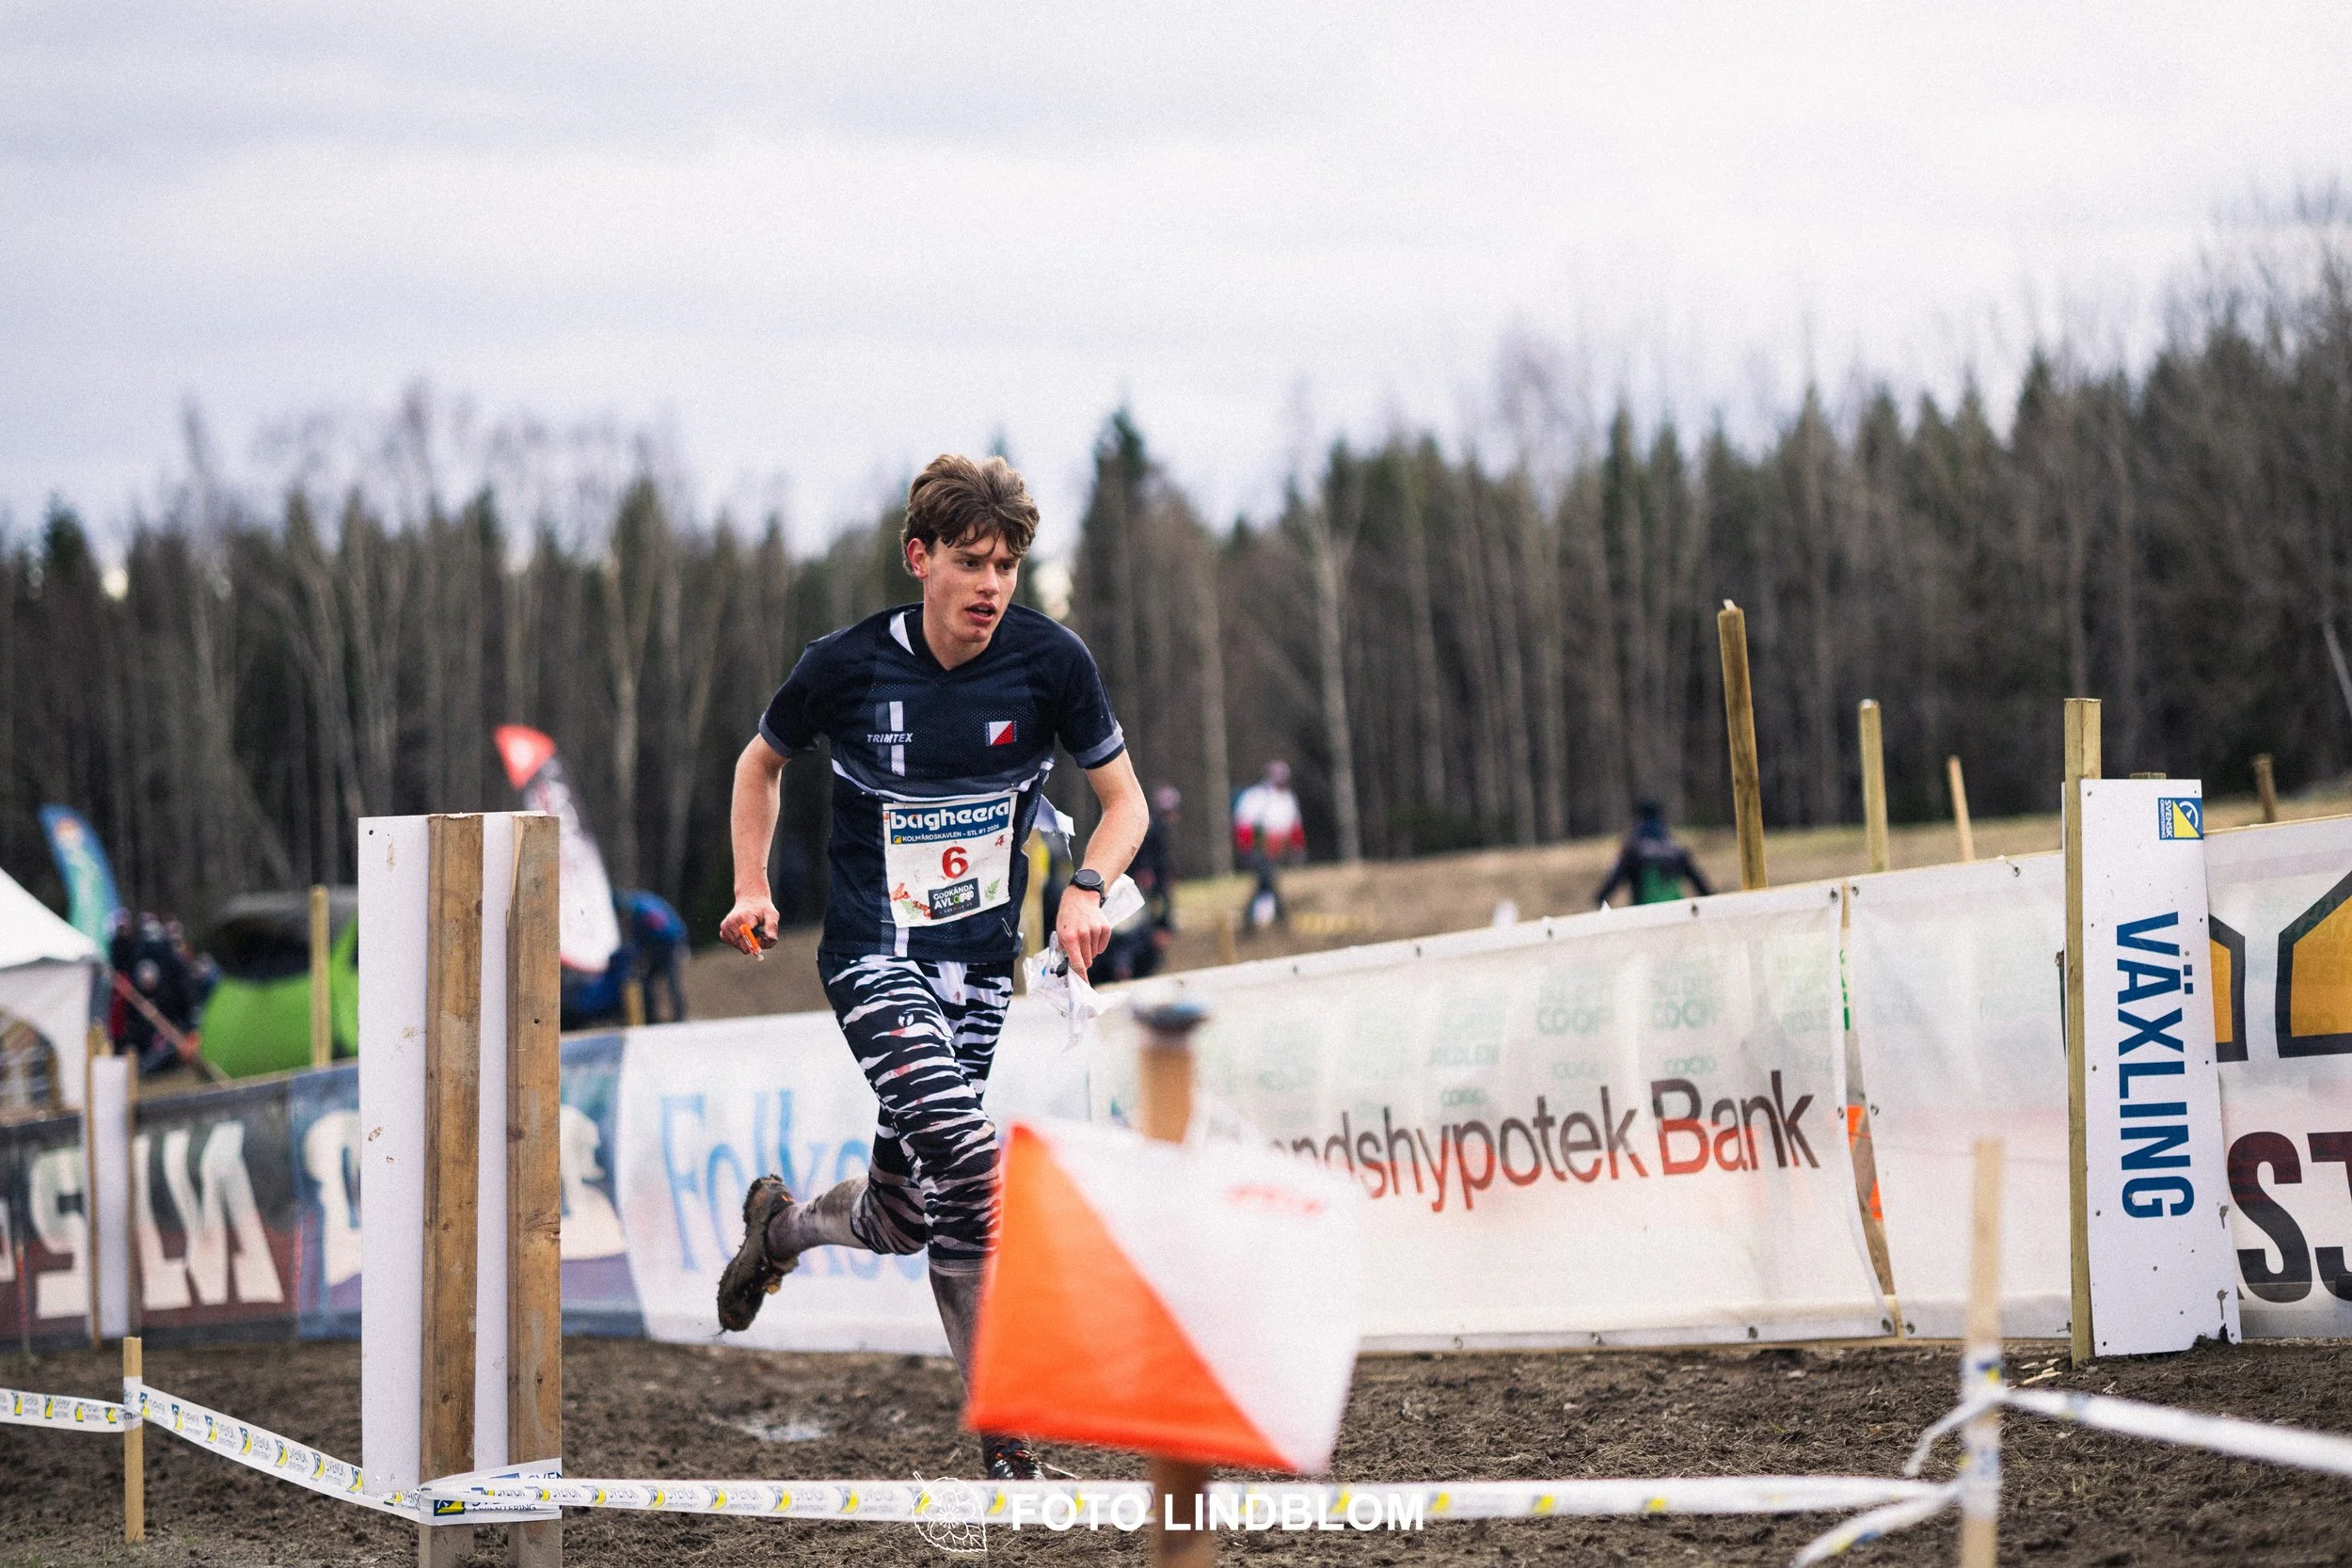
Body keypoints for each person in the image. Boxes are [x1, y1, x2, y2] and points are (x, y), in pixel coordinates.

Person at [712, 453, 1148, 1482]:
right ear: (921, 558)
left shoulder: (1051, 662)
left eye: (1007, 565)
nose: (992, 585)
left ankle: (779, 1229)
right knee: (969, 1157)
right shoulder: (848, 664)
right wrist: (749, 884)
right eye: (970, 561)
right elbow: (759, 761)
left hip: (977, 970)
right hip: (871, 955)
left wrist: (1085, 884)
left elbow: (1123, 799)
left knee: (903, 1213)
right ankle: (1008, 1439)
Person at [1089, 783, 1179, 985]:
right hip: (1131, 892)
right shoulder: (1150, 830)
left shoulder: (1161, 833)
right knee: (1127, 936)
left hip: (1146, 896)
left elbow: (1164, 881)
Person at [1232, 759, 1305, 930]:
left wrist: (1297, 848)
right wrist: (1248, 847)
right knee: (1267, 877)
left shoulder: (1288, 798)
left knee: (1266, 880)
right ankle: (1277, 915)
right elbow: (1244, 822)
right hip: (1258, 848)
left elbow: (1294, 825)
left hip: (1276, 847)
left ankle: (1260, 917)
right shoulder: (1257, 796)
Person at [1596, 800, 1713, 906]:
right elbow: (1700, 883)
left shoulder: (1634, 850)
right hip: (1676, 909)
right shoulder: (1676, 849)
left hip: (1645, 912)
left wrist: (1600, 900)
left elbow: (1612, 882)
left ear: (1638, 819)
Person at [619, 889, 689, 1022]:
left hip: (669, 944)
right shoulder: (644, 902)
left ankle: (677, 1016)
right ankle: (654, 1015)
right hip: (667, 942)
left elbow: (663, 932)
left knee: (670, 979)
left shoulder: (642, 913)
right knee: (652, 979)